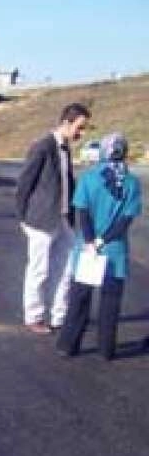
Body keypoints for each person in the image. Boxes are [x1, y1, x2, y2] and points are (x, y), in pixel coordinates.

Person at [57, 133, 142, 360]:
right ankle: (106, 349)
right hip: (115, 251)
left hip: (87, 250)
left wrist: (90, 241)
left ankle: (68, 345)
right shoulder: (132, 183)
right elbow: (125, 221)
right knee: (110, 302)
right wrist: (103, 241)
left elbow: (82, 212)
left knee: (79, 299)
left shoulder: (89, 178)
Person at [16, 102, 91, 334]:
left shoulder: (65, 148)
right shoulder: (43, 147)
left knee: (67, 268)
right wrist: (23, 217)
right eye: (79, 127)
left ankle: (60, 316)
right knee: (39, 270)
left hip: (63, 219)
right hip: (41, 221)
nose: (82, 133)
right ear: (67, 122)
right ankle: (34, 316)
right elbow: (24, 184)